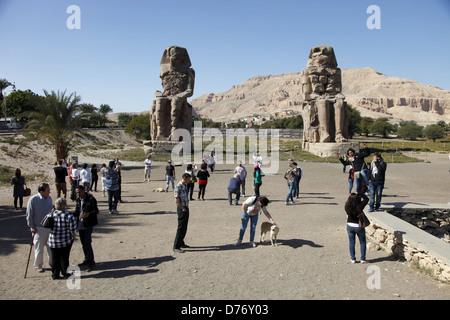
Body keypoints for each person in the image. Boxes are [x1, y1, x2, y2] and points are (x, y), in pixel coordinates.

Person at [26, 183, 54, 273]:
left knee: (50, 247)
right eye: (47, 190)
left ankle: (52, 263)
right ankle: (38, 265)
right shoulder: (33, 199)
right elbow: (29, 215)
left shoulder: (49, 198)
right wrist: (32, 227)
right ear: (41, 191)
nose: (49, 191)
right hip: (38, 228)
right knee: (39, 248)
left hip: (49, 227)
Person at [47, 197, 77, 279]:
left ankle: (55, 274)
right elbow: (73, 228)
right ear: (65, 205)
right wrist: (73, 235)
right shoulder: (69, 215)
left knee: (55, 258)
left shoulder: (51, 214)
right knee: (64, 257)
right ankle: (65, 273)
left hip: (53, 240)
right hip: (65, 240)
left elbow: (45, 224)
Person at [74, 185, 99, 271]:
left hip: (88, 224)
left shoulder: (91, 199)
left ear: (84, 191)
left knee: (87, 243)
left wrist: (88, 214)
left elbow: (96, 211)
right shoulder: (78, 200)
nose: (78, 194)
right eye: (76, 193)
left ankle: (91, 263)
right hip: (81, 224)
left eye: (79, 192)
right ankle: (86, 259)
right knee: (83, 243)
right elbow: (76, 212)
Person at [345, 193, 369, 264]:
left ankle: (353, 259)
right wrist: (361, 194)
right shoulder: (359, 206)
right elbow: (367, 199)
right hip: (358, 226)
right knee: (362, 242)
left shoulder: (347, 206)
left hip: (349, 225)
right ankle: (363, 259)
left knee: (352, 242)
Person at [173, 173, 192, 253]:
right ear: (184, 178)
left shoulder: (185, 185)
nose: (189, 181)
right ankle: (176, 246)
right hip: (182, 209)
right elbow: (176, 200)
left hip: (186, 207)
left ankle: (181, 242)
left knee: (184, 227)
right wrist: (182, 208)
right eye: (188, 179)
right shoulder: (178, 186)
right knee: (180, 227)